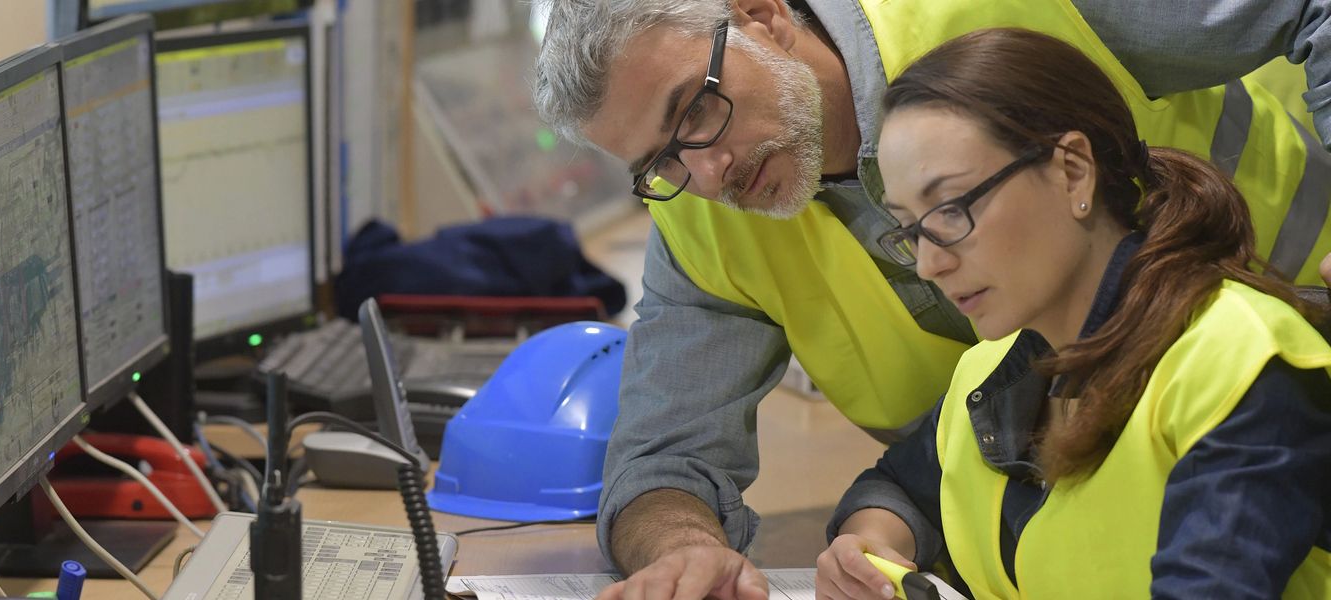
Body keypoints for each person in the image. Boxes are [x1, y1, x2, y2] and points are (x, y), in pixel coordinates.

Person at [531, 0, 1331, 597]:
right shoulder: (1006, 364)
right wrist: (681, 553)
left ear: (760, 14)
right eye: (661, 164)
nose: (706, 175)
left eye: (695, 111)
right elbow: (664, 462)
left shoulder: (1241, 374)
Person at [816, 28, 1331, 599]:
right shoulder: (995, 370)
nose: (930, 264)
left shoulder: (1238, 362)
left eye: (951, 209)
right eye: (909, 230)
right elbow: (899, 486)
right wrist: (867, 548)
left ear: (1073, 171)